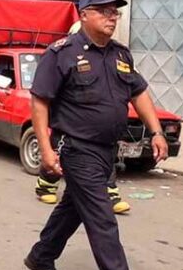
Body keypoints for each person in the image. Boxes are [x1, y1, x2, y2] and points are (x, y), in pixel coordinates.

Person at [23, 0, 169, 270]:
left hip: (107, 150)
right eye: (103, 11)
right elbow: (40, 102)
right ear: (83, 15)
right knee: (102, 218)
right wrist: (45, 148)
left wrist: (157, 131)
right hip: (76, 148)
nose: (111, 16)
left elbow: (139, 92)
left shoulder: (121, 54)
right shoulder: (61, 53)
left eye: (115, 11)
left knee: (73, 207)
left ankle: (41, 256)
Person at [35, 19, 131, 215]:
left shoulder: (114, 55)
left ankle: (109, 191)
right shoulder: (61, 55)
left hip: (101, 138)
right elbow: (41, 98)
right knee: (56, 162)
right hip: (69, 133)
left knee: (73, 205)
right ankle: (45, 185)